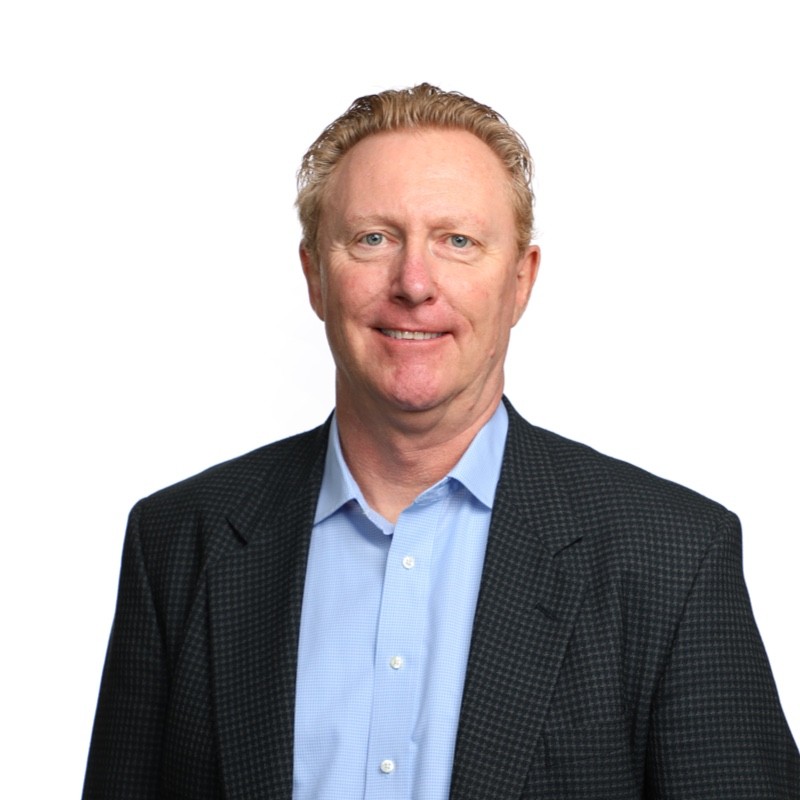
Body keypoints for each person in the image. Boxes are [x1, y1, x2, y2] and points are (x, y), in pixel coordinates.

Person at [83, 84, 799, 799]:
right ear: (314, 278)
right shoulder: (178, 542)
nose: (414, 282)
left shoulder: (671, 558)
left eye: (457, 241)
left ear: (520, 282)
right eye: (374, 238)